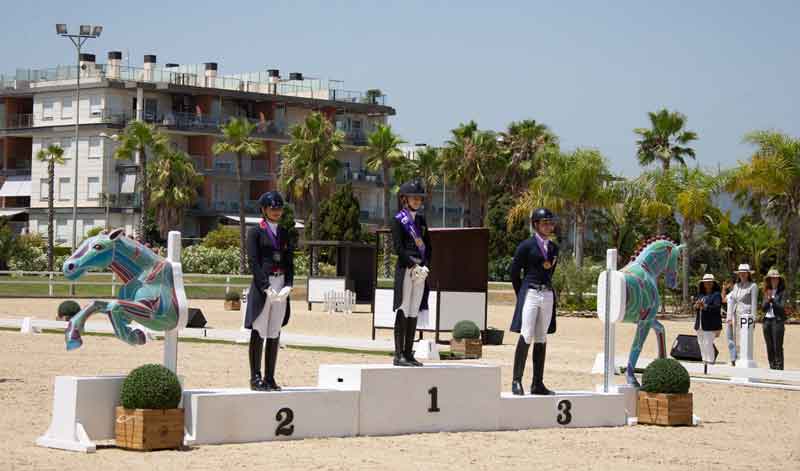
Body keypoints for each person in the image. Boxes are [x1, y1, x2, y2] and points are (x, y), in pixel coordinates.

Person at [243, 191, 294, 391]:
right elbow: (254, 262)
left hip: (281, 283)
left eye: (279, 208)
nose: (277, 212)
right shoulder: (255, 232)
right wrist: (265, 286)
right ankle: (255, 377)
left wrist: (289, 283)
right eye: (273, 208)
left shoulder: (285, 232)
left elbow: (289, 261)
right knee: (259, 330)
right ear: (264, 210)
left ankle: (270, 377)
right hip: (264, 285)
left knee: (274, 331)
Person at [509, 208, 559, 395]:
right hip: (530, 291)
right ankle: (516, 380)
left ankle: (537, 383)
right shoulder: (526, 246)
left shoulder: (554, 248)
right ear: (536, 224)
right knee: (526, 334)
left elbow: (550, 272)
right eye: (545, 223)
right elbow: (514, 272)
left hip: (546, 293)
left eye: (551, 223)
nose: (548, 226)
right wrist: (521, 293)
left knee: (542, 336)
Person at [391, 180, 432, 367]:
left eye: (419, 198)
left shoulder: (421, 220)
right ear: (404, 199)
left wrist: (426, 267)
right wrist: (412, 265)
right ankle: (398, 354)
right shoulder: (398, 220)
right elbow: (398, 248)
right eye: (413, 197)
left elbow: (428, 246)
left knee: (414, 310)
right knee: (404, 308)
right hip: (406, 268)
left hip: (420, 271)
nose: (417, 200)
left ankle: (409, 353)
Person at [726, 264, 758, 367]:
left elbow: (754, 303)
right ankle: (735, 358)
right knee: (735, 337)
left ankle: (743, 359)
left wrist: (753, 319)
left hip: (746, 315)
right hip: (735, 315)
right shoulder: (736, 286)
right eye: (740, 273)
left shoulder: (753, 286)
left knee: (744, 338)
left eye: (744, 273)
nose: (742, 275)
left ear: (748, 274)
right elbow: (732, 301)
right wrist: (729, 316)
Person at [693, 274, 722, 365]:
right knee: (700, 342)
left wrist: (704, 306)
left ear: (713, 284)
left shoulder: (716, 295)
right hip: (700, 323)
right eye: (706, 282)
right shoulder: (700, 295)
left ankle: (711, 361)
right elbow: (697, 308)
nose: (708, 284)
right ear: (703, 284)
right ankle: (704, 361)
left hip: (710, 324)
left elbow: (717, 308)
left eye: (710, 282)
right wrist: (696, 306)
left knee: (708, 343)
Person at [761, 269, 786, 370]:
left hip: (777, 320)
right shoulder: (766, 291)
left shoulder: (782, 292)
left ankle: (779, 369)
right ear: (769, 280)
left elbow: (782, 307)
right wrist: (768, 300)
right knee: (769, 346)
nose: (774, 280)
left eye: (776, 279)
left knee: (777, 346)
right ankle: (772, 367)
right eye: (772, 279)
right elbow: (763, 308)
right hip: (767, 321)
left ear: (779, 280)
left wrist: (773, 300)